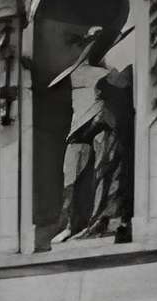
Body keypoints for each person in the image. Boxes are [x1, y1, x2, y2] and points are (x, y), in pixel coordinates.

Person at [50, 21, 133, 240]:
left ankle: (101, 221)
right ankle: (71, 224)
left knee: (104, 172)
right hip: (78, 131)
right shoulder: (79, 73)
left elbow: (122, 83)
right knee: (71, 178)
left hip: (101, 125)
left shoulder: (103, 72)